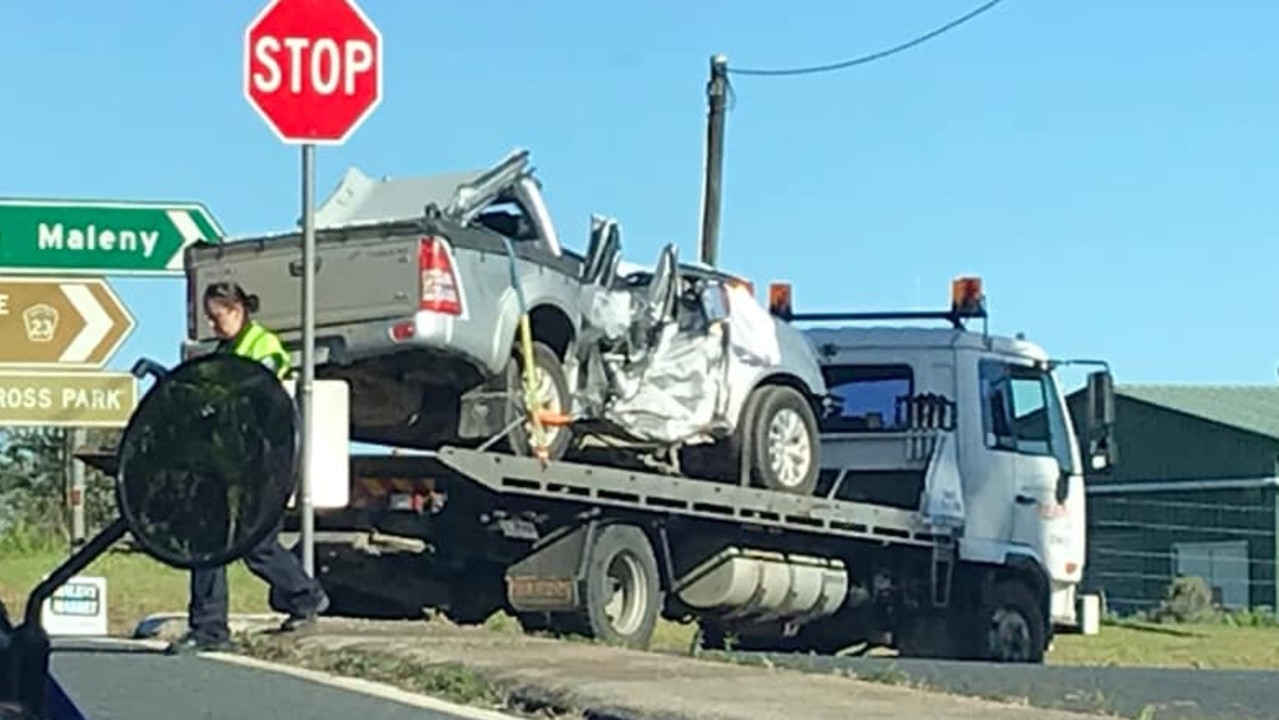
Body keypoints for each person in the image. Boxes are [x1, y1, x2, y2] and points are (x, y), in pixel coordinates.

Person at [168, 281, 330, 654]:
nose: (213, 325)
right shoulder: (224, 352)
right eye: (209, 319)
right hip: (227, 465)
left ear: (237, 309)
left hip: (265, 462)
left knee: (257, 544)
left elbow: (260, 390)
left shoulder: (263, 347)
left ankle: (305, 596)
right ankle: (209, 628)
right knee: (207, 541)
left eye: (217, 317)